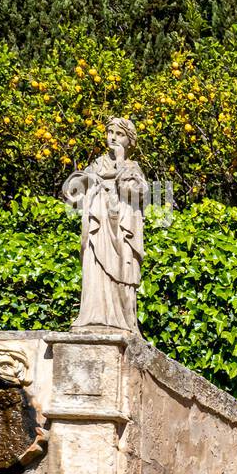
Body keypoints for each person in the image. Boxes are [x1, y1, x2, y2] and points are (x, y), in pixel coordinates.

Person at [63, 117, 147, 332]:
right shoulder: (97, 165)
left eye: (120, 134)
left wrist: (119, 163)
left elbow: (137, 192)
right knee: (96, 268)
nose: (113, 138)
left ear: (130, 140)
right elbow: (73, 192)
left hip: (121, 229)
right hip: (98, 226)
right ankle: (93, 317)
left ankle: (124, 322)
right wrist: (86, 183)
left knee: (122, 272)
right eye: (110, 132)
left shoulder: (133, 167)